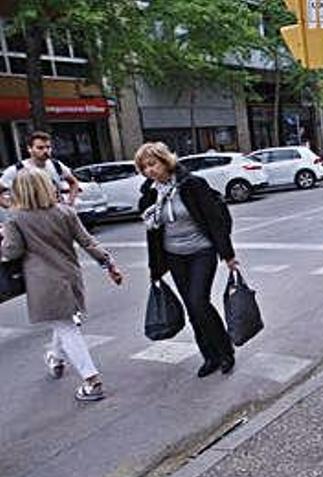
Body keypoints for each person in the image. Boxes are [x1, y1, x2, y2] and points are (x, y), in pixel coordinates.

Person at [0, 168, 123, 402]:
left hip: (43, 282)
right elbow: (87, 241)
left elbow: (12, 252)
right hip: (70, 275)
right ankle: (55, 358)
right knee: (64, 320)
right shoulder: (65, 212)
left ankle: (92, 380)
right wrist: (109, 265)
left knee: (66, 327)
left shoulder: (16, 218)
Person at [135, 142, 237, 378]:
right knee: (193, 309)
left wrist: (228, 255)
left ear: (165, 161)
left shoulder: (191, 185)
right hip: (174, 256)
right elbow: (152, 232)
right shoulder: (151, 193)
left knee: (199, 301)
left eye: (153, 164)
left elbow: (214, 220)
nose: (149, 171)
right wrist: (156, 269)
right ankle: (209, 356)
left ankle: (225, 352)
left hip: (202, 251)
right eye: (144, 168)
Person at [0, 130, 80, 208]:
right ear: (29, 149)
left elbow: (73, 182)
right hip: (30, 216)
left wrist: (70, 202)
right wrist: (11, 208)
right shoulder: (17, 169)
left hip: (55, 214)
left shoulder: (56, 165)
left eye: (48, 147)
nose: (45, 151)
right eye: (40, 148)